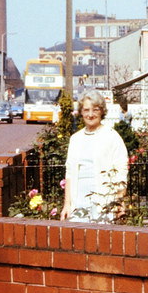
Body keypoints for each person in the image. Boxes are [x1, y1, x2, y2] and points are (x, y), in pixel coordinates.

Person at [60, 90, 128, 223]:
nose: (90, 115)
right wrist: (67, 204)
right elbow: (69, 174)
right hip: (78, 202)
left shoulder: (111, 136)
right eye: (86, 110)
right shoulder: (75, 139)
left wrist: (119, 200)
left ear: (102, 111)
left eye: (95, 110)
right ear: (81, 112)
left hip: (104, 202)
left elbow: (121, 171)